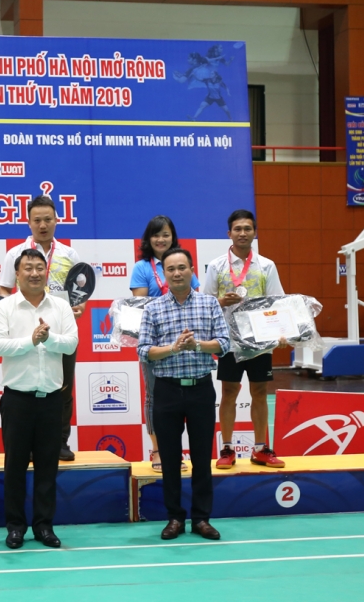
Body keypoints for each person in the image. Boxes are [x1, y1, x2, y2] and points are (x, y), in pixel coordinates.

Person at [0, 249, 78, 549]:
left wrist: (48, 339)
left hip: (51, 399)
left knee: (47, 467)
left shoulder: (61, 306)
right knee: (14, 466)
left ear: (46, 272)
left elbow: (71, 343)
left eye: (40, 267)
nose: (34, 273)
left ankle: (44, 526)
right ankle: (15, 527)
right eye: (27, 268)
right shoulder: (4, 307)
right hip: (17, 399)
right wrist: (31, 341)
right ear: (17, 274)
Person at [138, 248, 228, 541]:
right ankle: (175, 518)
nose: (176, 273)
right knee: (170, 459)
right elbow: (144, 350)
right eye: (170, 269)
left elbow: (224, 343)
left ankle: (201, 519)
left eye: (182, 267)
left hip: (201, 389)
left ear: (192, 270)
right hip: (166, 390)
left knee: (202, 458)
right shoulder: (153, 308)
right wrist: (173, 348)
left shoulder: (209, 303)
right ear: (164, 274)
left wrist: (197, 346)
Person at [0, 196, 83, 461]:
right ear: (28, 222)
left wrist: (79, 306)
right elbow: (4, 289)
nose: (43, 225)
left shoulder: (69, 254)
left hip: (60, 328)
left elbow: (79, 292)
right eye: (37, 220)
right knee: (23, 387)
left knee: (63, 386)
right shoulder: (15, 254)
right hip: (24, 328)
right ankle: (25, 446)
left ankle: (60, 441)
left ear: (57, 220)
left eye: (48, 219)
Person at [202, 209, 286, 470]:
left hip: (260, 341)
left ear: (254, 232)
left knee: (259, 392)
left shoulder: (266, 265)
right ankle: (227, 449)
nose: (242, 233)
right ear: (229, 233)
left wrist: (281, 331)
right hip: (228, 340)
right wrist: (221, 301)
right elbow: (204, 303)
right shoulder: (216, 266)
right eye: (237, 229)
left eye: (247, 228)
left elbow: (277, 302)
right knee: (229, 392)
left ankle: (260, 449)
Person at [129, 215, 199, 474]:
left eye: (166, 234)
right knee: (153, 395)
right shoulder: (142, 268)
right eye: (156, 235)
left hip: (185, 340)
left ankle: (177, 451)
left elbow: (194, 299)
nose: (161, 239)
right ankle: (158, 450)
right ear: (148, 239)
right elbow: (140, 305)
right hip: (155, 341)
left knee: (182, 397)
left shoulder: (181, 263)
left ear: (173, 237)